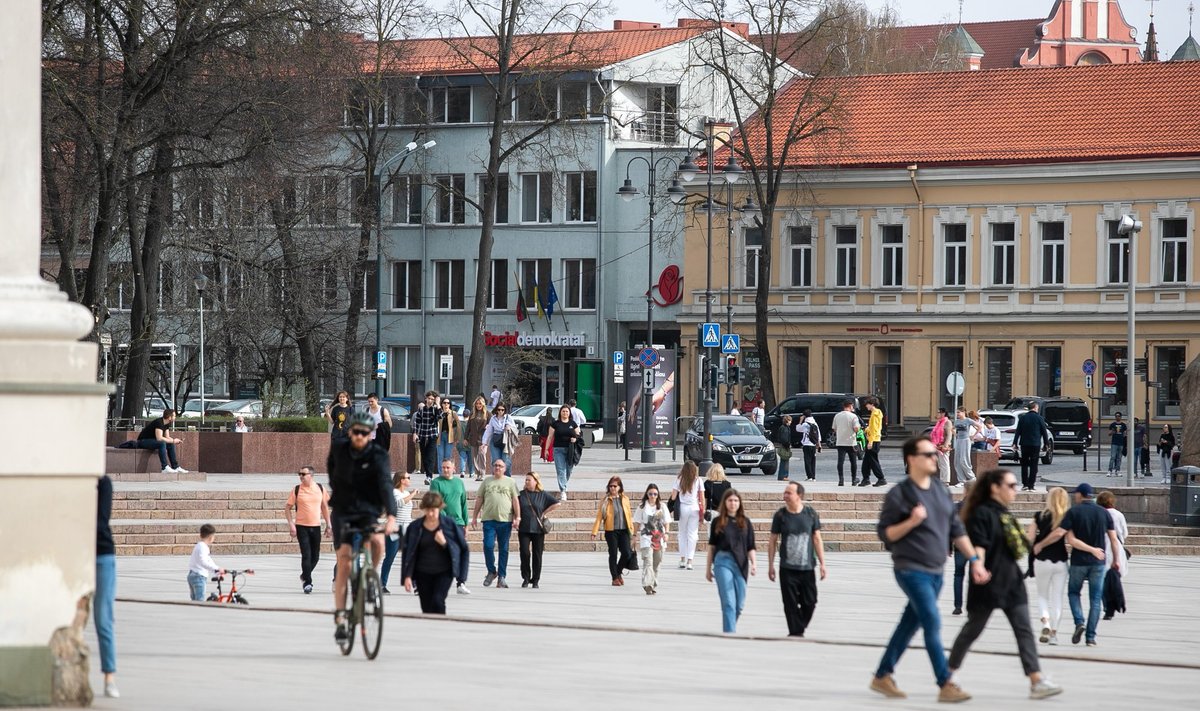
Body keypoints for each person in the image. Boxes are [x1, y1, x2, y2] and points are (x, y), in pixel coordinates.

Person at [870, 436, 986, 703]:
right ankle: (945, 682)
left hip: (936, 571)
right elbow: (886, 534)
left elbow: (957, 530)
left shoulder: (939, 490)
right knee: (932, 621)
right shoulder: (899, 494)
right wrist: (912, 521)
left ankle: (882, 675)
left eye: (934, 454)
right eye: (928, 454)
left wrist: (975, 561)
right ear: (912, 459)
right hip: (911, 569)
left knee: (909, 623)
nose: (935, 457)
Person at [947, 468, 1063, 700]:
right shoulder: (981, 513)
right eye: (1010, 486)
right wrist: (977, 566)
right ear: (994, 488)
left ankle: (1036, 680)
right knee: (972, 629)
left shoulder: (1004, 513)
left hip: (1011, 582)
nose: (1015, 490)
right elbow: (978, 545)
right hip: (988, 583)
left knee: (1024, 631)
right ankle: (947, 675)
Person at [327, 412, 398, 643]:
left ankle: (371, 575)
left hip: (369, 510)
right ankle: (340, 617)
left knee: (378, 542)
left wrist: (391, 516)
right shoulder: (339, 448)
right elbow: (332, 475)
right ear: (350, 432)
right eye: (356, 432)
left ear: (370, 434)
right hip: (344, 510)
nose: (360, 436)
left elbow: (386, 485)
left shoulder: (378, 454)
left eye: (365, 433)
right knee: (345, 562)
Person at [1036, 482, 1122, 647]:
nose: (1074, 496)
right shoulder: (1104, 513)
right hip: (1099, 562)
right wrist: (1116, 560)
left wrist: (1041, 543)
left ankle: (1079, 622)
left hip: (1079, 562)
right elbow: (1113, 539)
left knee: (1074, 593)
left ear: (1080, 495)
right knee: (1095, 599)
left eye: (1076, 494)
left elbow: (1066, 536)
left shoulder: (1074, 512)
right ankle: (1090, 637)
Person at [768, 481, 826, 637]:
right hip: (787, 568)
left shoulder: (810, 514)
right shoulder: (780, 515)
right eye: (785, 492)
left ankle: (798, 628)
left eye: (789, 493)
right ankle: (795, 633)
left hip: (807, 567)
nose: (785, 495)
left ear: (799, 495)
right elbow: (773, 540)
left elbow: (817, 539)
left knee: (810, 601)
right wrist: (771, 565)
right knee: (790, 603)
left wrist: (822, 563)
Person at [401, 491, 469, 614]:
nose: (431, 514)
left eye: (434, 510)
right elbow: (408, 553)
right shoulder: (415, 527)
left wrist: (444, 543)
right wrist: (407, 576)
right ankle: (429, 630)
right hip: (422, 572)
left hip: (444, 572)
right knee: (426, 606)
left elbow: (463, 549)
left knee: (438, 600)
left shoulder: (449, 524)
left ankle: (441, 625)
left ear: (439, 508)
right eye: (428, 510)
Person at [706, 488, 757, 633]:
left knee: (739, 604)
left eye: (735, 500)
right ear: (725, 502)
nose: (733, 503)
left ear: (739, 503)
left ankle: (729, 628)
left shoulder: (745, 522)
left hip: (741, 563)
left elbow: (751, 546)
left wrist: (754, 564)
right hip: (723, 561)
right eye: (730, 500)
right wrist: (708, 569)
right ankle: (730, 634)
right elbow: (711, 547)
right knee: (729, 602)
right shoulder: (718, 521)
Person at [1029, 487, 1070, 645]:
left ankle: (1045, 622)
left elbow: (1031, 538)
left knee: (1042, 595)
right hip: (1060, 560)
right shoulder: (1067, 517)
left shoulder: (1039, 516)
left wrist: (1039, 543)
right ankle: (1054, 633)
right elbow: (1070, 538)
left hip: (1042, 560)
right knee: (1057, 597)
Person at [471, 459, 521, 588]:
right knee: (488, 546)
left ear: (505, 468)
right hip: (489, 520)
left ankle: (502, 576)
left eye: (500, 466)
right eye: (495, 465)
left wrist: (517, 517)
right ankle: (492, 571)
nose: (498, 468)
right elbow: (479, 499)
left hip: (505, 521)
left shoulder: (510, 482)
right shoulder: (487, 481)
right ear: (492, 468)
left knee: (504, 549)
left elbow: (515, 500)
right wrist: (475, 516)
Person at [285, 466, 331, 594]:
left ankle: (305, 573)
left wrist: (329, 525)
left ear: (311, 475)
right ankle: (308, 582)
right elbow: (287, 508)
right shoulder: (297, 489)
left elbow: (325, 508)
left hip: (315, 526)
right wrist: (291, 524)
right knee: (306, 554)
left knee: (315, 556)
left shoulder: (320, 489)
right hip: (301, 526)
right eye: (299, 474)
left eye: (303, 474)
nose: (301, 476)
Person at [428, 458, 471, 595]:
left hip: (458, 523)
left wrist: (466, 523)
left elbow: (464, 504)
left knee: (464, 551)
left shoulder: (459, 483)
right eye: (443, 467)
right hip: (443, 524)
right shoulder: (436, 483)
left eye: (448, 467)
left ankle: (461, 582)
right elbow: (436, 504)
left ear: (454, 468)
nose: (445, 470)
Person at [94, 475, 119, 698]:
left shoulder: (102, 482)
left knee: (103, 619)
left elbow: (100, 522)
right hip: (73, 554)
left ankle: (109, 676)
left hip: (101, 554)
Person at [592, 475, 637, 585]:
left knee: (626, 553)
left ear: (620, 487)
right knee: (613, 554)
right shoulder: (605, 501)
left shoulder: (625, 499)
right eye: (610, 486)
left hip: (624, 531)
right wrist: (594, 532)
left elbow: (629, 515)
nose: (612, 488)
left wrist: (632, 531)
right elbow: (599, 517)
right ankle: (615, 578)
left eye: (615, 486)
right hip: (611, 531)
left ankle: (618, 572)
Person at [518, 472, 560, 588]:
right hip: (524, 528)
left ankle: (535, 579)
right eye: (526, 480)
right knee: (524, 553)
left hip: (538, 529)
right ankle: (526, 578)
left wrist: (545, 512)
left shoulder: (543, 495)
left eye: (529, 480)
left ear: (536, 481)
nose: (526, 482)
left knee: (537, 554)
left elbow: (557, 503)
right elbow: (515, 507)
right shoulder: (521, 494)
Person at [380, 471, 416, 594]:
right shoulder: (394, 493)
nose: (410, 479)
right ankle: (382, 584)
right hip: (395, 529)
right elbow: (400, 504)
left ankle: (416, 585)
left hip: (407, 528)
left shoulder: (405, 493)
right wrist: (413, 495)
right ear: (401, 480)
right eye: (408, 477)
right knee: (390, 557)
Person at [1097, 490, 1129, 620]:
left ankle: (1106, 606)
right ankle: (1114, 602)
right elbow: (1124, 533)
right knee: (1114, 577)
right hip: (1116, 547)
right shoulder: (1118, 514)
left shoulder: (1098, 513)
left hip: (1102, 546)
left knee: (1102, 579)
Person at [634, 483, 671, 595]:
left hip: (659, 538)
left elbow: (667, 521)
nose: (653, 496)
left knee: (657, 562)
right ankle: (647, 584)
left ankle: (653, 584)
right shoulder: (642, 507)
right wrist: (634, 535)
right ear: (647, 494)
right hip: (646, 537)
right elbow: (636, 522)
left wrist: (667, 533)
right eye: (650, 494)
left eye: (655, 494)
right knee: (648, 561)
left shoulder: (662, 506)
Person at [670, 461, 705, 570]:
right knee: (692, 535)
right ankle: (690, 561)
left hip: (683, 508)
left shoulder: (679, 479)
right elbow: (702, 498)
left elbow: (673, 497)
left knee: (682, 533)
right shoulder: (698, 480)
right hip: (694, 508)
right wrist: (702, 511)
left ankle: (682, 559)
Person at [951, 479, 976, 616]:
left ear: (965, 490)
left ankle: (957, 606)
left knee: (958, 575)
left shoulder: (957, 507)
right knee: (974, 577)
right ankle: (972, 605)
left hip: (960, 546)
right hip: (976, 547)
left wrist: (948, 545)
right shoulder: (981, 507)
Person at [135, 408, 187, 474]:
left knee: (170, 444)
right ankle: (164, 467)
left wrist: (175, 440)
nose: (175, 418)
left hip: (153, 441)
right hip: (143, 441)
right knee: (162, 443)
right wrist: (173, 441)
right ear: (169, 417)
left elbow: (167, 437)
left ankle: (175, 466)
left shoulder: (167, 423)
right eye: (174, 416)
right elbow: (159, 438)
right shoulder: (159, 422)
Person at [549, 405, 581, 501]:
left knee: (569, 470)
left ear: (569, 413)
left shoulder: (573, 423)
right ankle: (563, 490)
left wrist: (575, 439)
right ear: (560, 413)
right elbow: (550, 437)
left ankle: (563, 485)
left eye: (567, 411)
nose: (565, 413)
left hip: (570, 450)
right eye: (563, 411)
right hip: (558, 449)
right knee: (561, 470)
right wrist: (546, 450)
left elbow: (579, 435)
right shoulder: (555, 424)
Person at [1014, 402, 1048, 491]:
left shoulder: (1023, 418)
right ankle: (1031, 485)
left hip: (1024, 444)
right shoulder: (1039, 418)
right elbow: (1044, 432)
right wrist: (1046, 444)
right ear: (1035, 408)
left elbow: (1018, 431)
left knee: (1024, 464)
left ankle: (1024, 484)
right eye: (1037, 407)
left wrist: (1015, 443)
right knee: (1034, 465)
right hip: (1035, 444)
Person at [187, 523, 223, 601]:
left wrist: (216, 570)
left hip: (193, 574)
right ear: (211, 537)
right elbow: (203, 562)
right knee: (200, 600)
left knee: (194, 600)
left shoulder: (199, 545)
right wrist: (216, 569)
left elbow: (208, 560)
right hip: (199, 576)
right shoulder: (203, 547)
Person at [411, 391, 439, 485]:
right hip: (422, 435)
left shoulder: (435, 409)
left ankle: (429, 477)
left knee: (430, 456)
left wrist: (438, 404)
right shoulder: (421, 409)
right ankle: (428, 474)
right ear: (425, 398)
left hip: (432, 435)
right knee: (424, 456)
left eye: (432, 399)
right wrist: (415, 433)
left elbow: (440, 416)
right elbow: (417, 421)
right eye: (429, 398)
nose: (430, 400)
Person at [482, 403, 517, 475]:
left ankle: (507, 477)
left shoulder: (508, 417)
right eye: (499, 410)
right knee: (495, 460)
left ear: (505, 410)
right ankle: (495, 476)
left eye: (502, 410)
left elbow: (515, 428)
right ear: (496, 410)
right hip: (495, 439)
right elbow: (489, 431)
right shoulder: (493, 418)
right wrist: (484, 443)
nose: (500, 411)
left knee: (506, 460)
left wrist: (509, 427)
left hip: (505, 440)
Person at [832, 399, 861, 486]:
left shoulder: (837, 416)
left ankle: (841, 480)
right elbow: (856, 428)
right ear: (850, 406)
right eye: (852, 406)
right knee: (853, 461)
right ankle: (853, 479)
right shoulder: (853, 416)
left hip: (840, 441)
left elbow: (834, 428)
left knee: (840, 461)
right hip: (851, 442)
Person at [860, 397, 887, 487]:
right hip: (874, 439)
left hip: (873, 440)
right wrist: (867, 429)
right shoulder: (877, 413)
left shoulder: (875, 414)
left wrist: (870, 442)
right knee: (866, 461)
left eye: (867, 404)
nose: (866, 406)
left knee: (873, 461)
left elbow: (875, 429)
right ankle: (866, 479)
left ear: (872, 404)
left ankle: (881, 478)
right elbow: (874, 428)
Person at [464, 396, 489, 480]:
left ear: (483, 404)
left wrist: (488, 427)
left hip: (483, 439)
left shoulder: (487, 414)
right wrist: (465, 438)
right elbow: (468, 427)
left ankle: (482, 473)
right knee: (474, 457)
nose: (478, 405)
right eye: (477, 404)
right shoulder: (472, 413)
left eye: (480, 404)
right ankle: (477, 473)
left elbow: (491, 424)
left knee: (482, 455)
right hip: (473, 438)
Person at [952, 406, 977, 485]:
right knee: (957, 461)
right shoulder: (957, 421)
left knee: (964, 459)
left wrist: (973, 436)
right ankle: (961, 480)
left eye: (959, 412)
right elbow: (951, 428)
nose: (957, 414)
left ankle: (971, 477)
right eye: (957, 412)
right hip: (959, 440)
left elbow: (979, 426)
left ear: (963, 412)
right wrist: (955, 434)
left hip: (966, 441)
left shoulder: (968, 420)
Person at [435, 398, 462, 471]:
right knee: (440, 455)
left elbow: (458, 425)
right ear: (442, 404)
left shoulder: (453, 413)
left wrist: (457, 437)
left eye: (448, 403)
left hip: (449, 436)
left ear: (450, 405)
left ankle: (448, 471)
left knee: (447, 456)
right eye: (444, 403)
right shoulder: (439, 413)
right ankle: (441, 473)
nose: (446, 404)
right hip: (440, 436)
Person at [929, 407, 953, 486]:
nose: (937, 414)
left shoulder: (947, 422)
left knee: (945, 463)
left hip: (944, 445)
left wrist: (945, 445)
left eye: (939, 412)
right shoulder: (939, 422)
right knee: (940, 464)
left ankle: (946, 481)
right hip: (938, 445)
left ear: (943, 413)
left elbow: (949, 434)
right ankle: (942, 480)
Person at [797, 409, 821, 481]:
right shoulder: (815, 423)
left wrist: (800, 421)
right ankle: (813, 477)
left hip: (806, 444)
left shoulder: (805, 424)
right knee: (813, 461)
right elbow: (818, 435)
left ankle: (809, 476)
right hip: (813, 444)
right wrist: (819, 444)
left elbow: (798, 429)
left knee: (807, 461)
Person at [773, 415, 794, 481]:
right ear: (787, 420)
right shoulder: (785, 428)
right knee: (785, 461)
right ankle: (783, 475)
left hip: (784, 445)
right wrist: (788, 444)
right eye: (790, 420)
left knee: (784, 461)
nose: (791, 422)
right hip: (785, 446)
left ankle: (783, 475)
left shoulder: (784, 427)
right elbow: (784, 438)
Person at [1107, 412, 1128, 476]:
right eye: (1116, 416)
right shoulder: (1112, 424)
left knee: (1119, 458)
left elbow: (1125, 434)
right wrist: (1112, 432)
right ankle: (1110, 470)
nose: (1117, 417)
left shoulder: (1123, 425)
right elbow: (1109, 434)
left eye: (1118, 416)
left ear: (1121, 417)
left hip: (1121, 443)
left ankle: (1117, 470)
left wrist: (1126, 443)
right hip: (1114, 443)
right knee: (1113, 457)